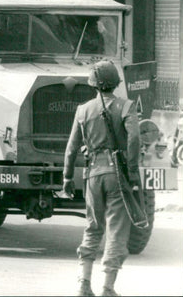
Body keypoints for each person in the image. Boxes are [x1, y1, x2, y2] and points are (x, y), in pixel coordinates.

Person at [63, 61, 140, 297]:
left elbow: (71, 148)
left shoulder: (83, 110)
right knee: (117, 230)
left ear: (93, 85)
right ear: (116, 83)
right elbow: (134, 138)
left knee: (93, 227)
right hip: (118, 174)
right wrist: (133, 171)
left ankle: (83, 284)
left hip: (93, 173)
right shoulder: (126, 107)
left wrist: (67, 177)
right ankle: (108, 287)